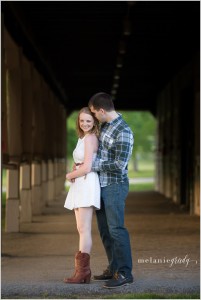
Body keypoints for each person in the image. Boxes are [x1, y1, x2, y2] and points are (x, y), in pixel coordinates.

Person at [88, 92, 134, 289]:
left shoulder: (123, 131)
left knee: (116, 229)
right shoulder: (106, 126)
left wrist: (92, 164)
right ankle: (113, 267)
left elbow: (119, 163)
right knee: (105, 230)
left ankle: (124, 273)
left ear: (101, 110)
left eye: (94, 114)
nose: (94, 118)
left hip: (115, 185)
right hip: (101, 185)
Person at [63, 107, 100, 284]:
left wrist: (70, 175)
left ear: (94, 122)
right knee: (80, 228)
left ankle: (83, 272)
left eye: (88, 121)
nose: (85, 123)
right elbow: (80, 163)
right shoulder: (83, 137)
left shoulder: (91, 138)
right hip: (80, 182)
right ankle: (81, 272)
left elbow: (87, 166)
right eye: (82, 120)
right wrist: (74, 169)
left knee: (84, 228)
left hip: (86, 182)